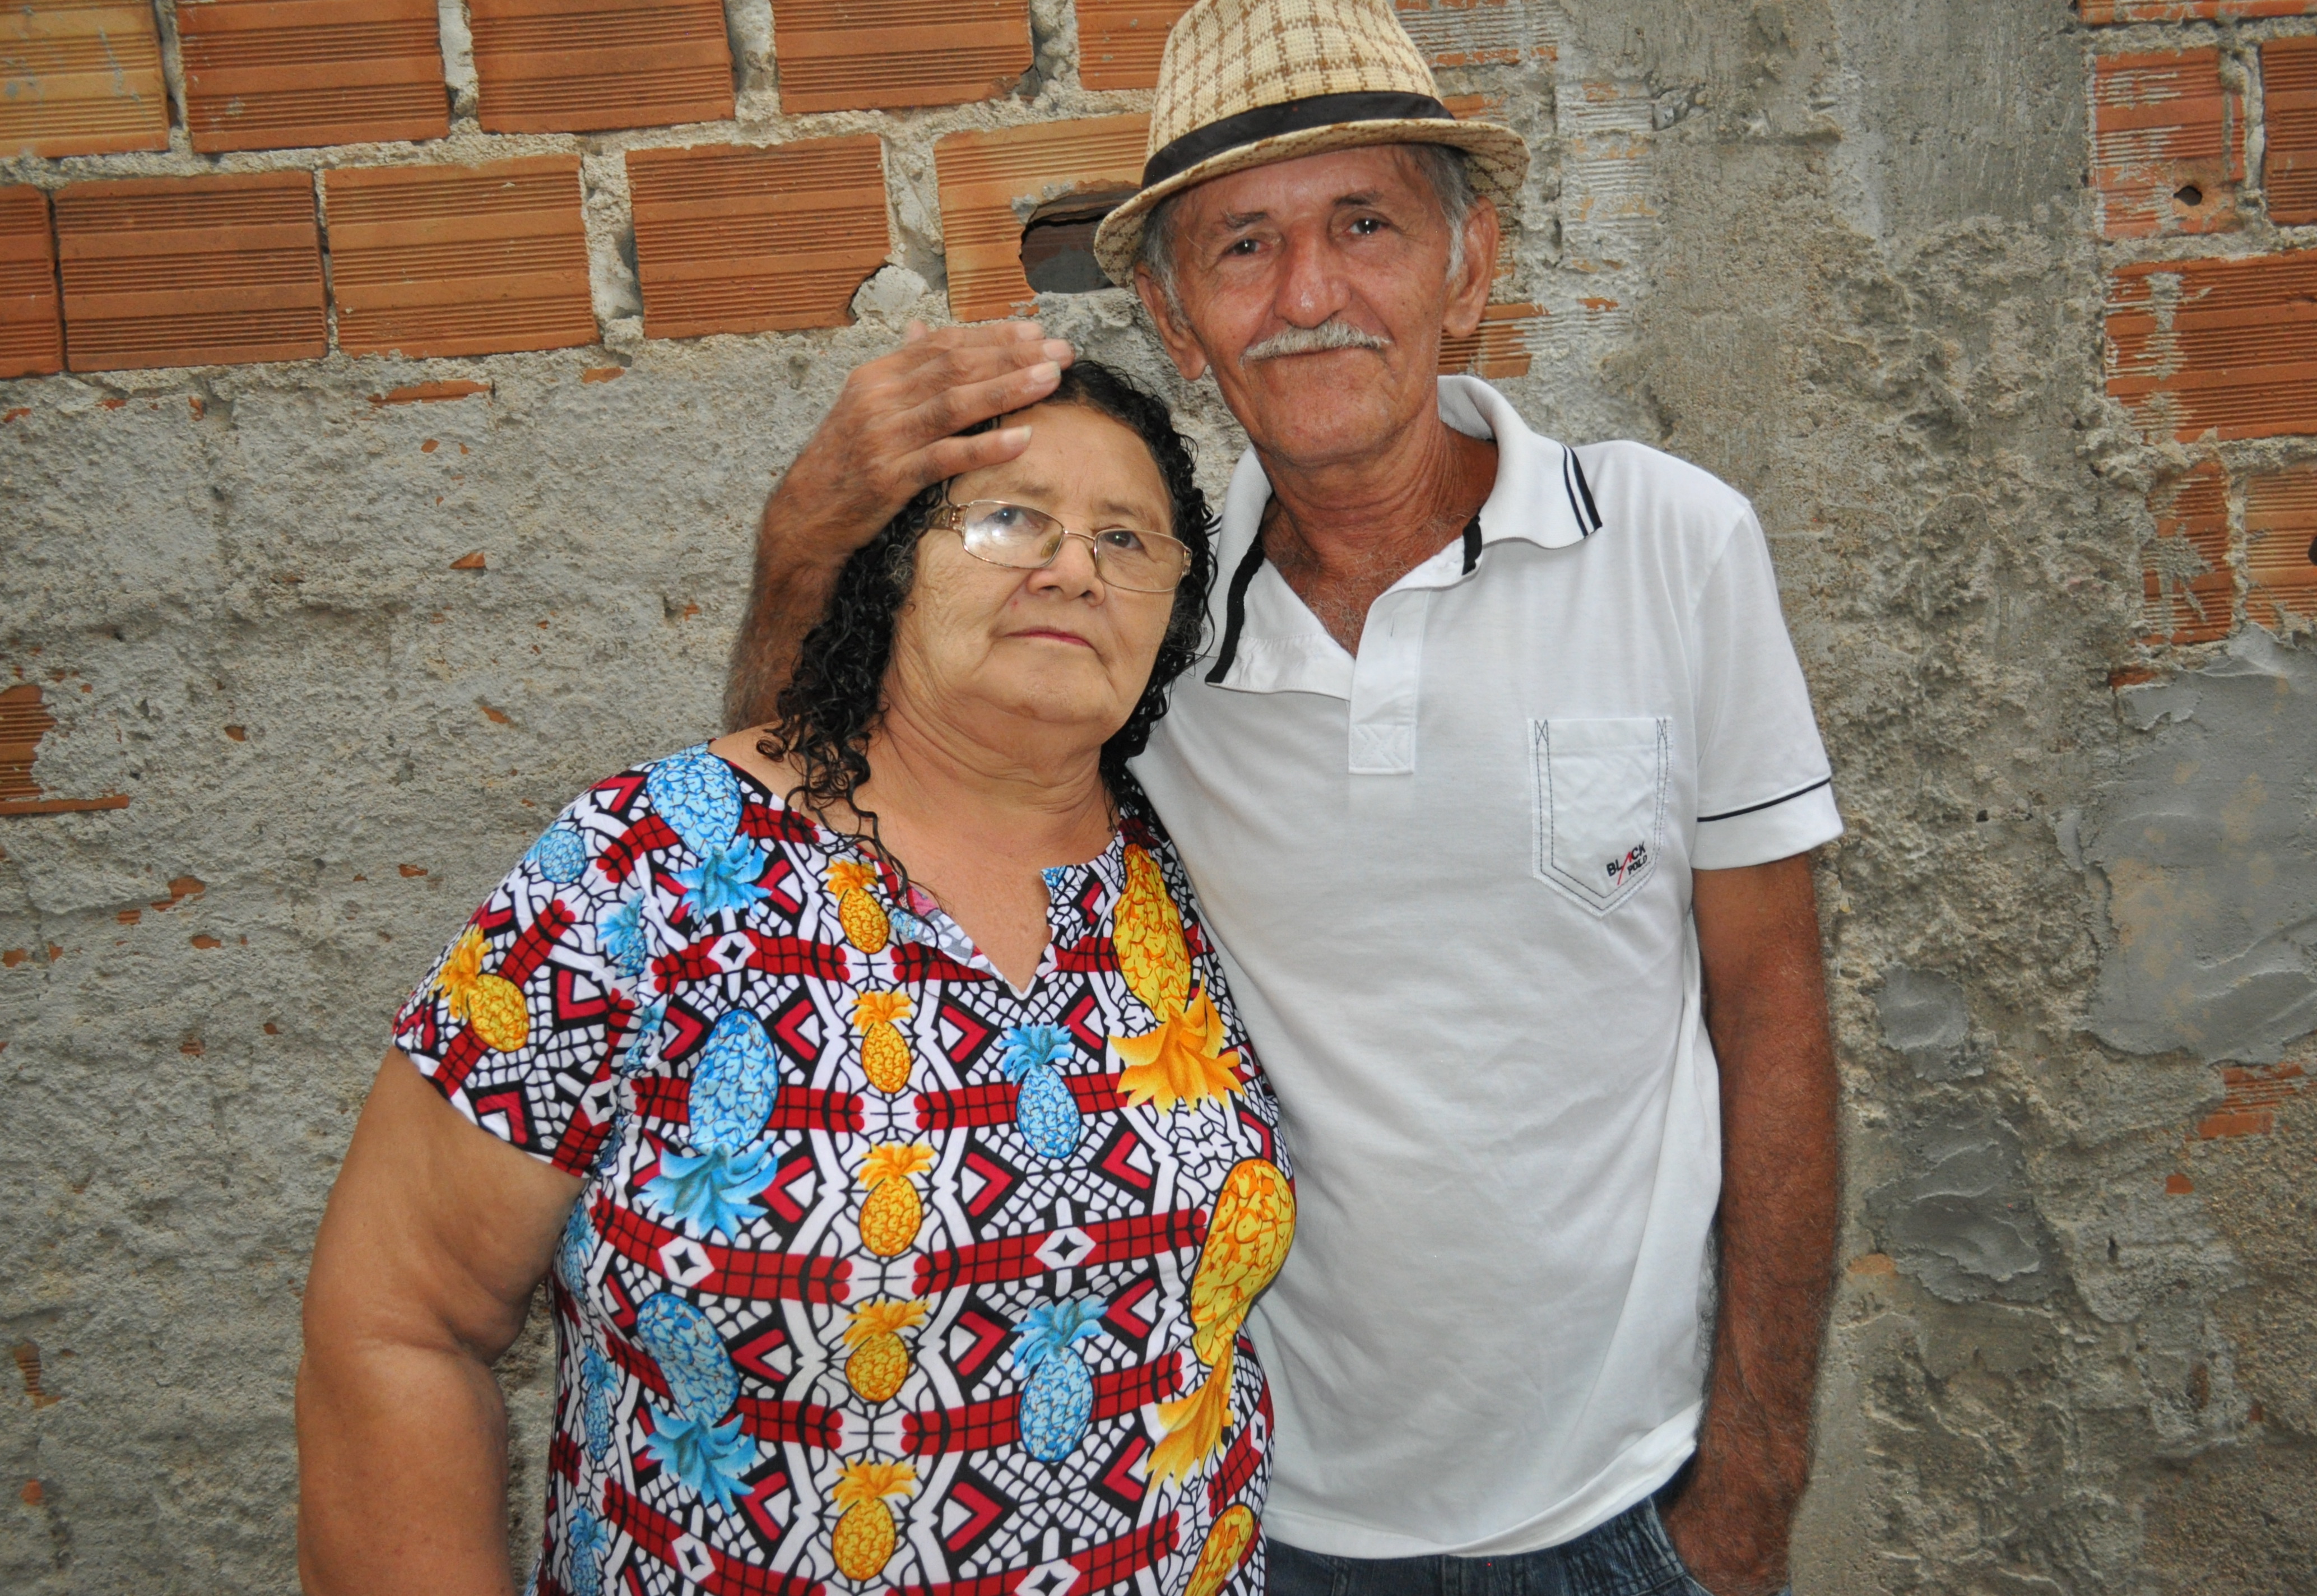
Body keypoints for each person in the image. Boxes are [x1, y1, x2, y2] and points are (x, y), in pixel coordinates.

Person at [726, 3, 1844, 1595]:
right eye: (1242, 247)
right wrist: (800, 545)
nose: (1309, 296)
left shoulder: (1670, 543)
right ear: (1177, 319)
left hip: (1628, 1506)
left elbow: (1774, 1005)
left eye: (1365, 224)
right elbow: (793, 838)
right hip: (1251, 1523)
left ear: (1467, 266)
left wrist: (1754, 1481)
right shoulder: (1139, 631)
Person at [297, 361, 1296, 1596]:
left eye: (1126, 538)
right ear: (891, 565)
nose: (1073, 570)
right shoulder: (643, 867)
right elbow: (399, 1320)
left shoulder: (1194, 869)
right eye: (1009, 519)